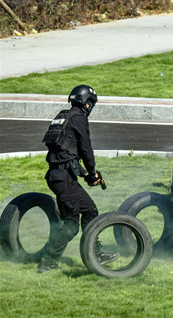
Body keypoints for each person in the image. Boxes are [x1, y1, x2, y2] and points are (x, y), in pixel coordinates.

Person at [38, 85, 118, 273]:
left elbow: (64, 153)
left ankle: (95, 254)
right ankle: (48, 262)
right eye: (91, 103)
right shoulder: (79, 119)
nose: (91, 108)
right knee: (72, 224)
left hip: (59, 175)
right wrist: (92, 171)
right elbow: (85, 148)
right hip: (63, 178)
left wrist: (84, 174)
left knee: (89, 210)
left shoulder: (63, 116)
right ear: (86, 104)